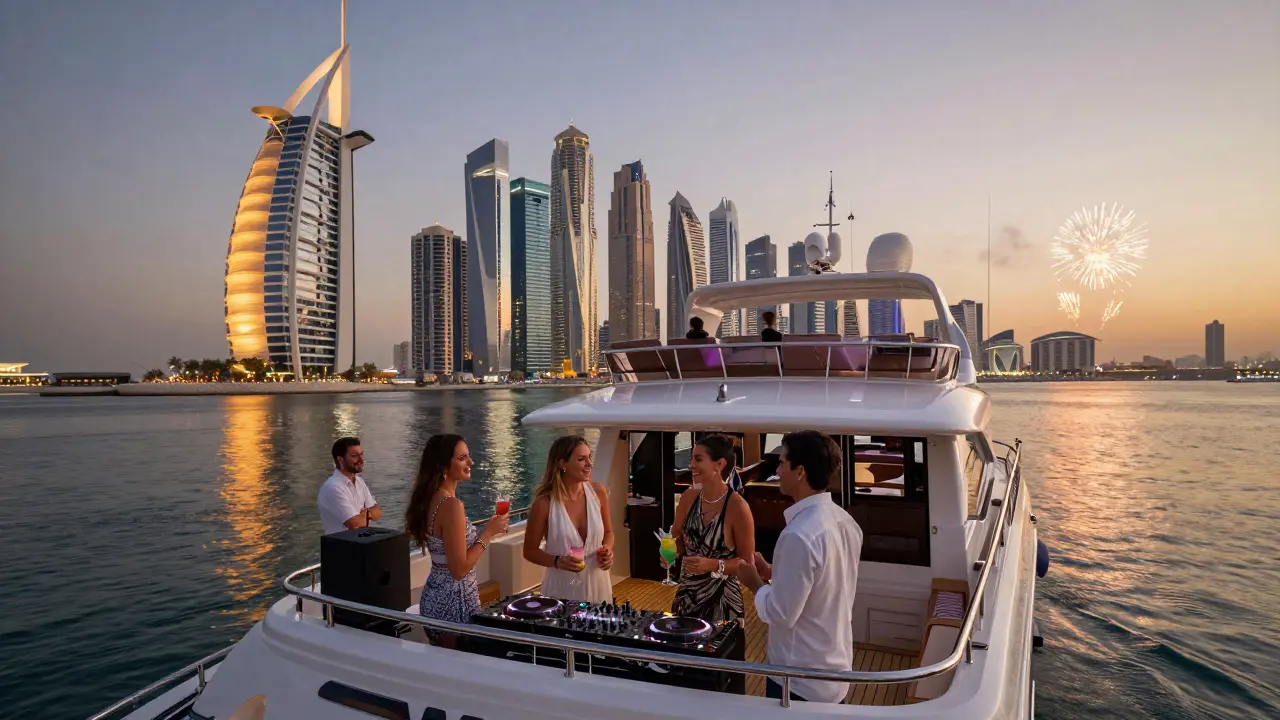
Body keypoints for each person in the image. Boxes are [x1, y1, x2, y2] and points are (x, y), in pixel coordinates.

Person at [737, 430, 863, 704]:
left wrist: (755, 583)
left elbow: (781, 613)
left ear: (800, 472)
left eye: (782, 463)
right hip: (835, 672)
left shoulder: (798, 535)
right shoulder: (845, 522)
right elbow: (823, 584)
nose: (777, 471)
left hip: (798, 681)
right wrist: (774, 574)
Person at [405, 434, 509, 646]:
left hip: (436, 595)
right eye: (462, 457)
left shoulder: (431, 500)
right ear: (444, 466)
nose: (471, 462)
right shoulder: (452, 506)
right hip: (454, 603)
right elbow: (459, 569)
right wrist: (488, 533)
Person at [667, 434, 755, 623]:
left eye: (698, 459)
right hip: (687, 598)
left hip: (723, 603)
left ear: (719, 464)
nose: (691, 464)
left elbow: (748, 563)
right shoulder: (687, 498)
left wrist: (715, 565)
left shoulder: (738, 507)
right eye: (691, 458)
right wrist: (669, 553)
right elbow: (676, 541)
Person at [523, 435, 614, 602]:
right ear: (562, 464)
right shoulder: (544, 504)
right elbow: (529, 551)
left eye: (589, 458)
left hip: (598, 582)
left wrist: (607, 551)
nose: (589, 464)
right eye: (581, 459)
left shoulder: (598, 492)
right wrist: (557, 561)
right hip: (561, 586)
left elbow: (608, 533)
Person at [318, 437, 381, 535]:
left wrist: (366, 514)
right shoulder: (333, 487)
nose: (361, 459)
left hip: (362, 543)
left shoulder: (360, 482)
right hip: (343, 547)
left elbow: (377, 513)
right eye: (355, 456)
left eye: (361, 454)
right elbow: (355, 524)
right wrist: (368, 514)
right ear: (340, 460)